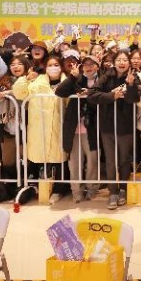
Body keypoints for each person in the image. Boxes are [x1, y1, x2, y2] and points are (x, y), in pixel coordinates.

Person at [88, 50, 141, 210]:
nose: (122, 63)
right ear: (114, 62)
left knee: (124, 159)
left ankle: (123, 189)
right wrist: (112, 96)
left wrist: (131, 85)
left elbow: (134, 99)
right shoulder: (107, 76)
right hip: (107, 126)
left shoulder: (134, 77)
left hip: (126, 126)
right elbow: (92, 95)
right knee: (110, 160)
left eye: (125, 60)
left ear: (129, 63)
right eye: (119, 60)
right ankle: (112, 191)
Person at [13, 55, 68, 203]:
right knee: (39, 159)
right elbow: (19, 93)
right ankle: (39, 188)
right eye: (50, 65)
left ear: (61, 67)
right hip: (39, 127)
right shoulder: (37, 82)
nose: (53, 68)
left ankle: (58, 189)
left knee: (59, 159)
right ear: (45, 67)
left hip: (59, 126)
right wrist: (26, 79)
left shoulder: (67, 82)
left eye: (56, 65)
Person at [55, 55, 101, 202]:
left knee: (93, 160)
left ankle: (92, 189)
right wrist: (72, 77)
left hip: (92, 128)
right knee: (74, 162)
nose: (89, 67)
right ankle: (76, 191)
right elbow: (59, 92)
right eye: (86, 64)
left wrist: (90, 94)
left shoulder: (102, 80)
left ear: (97, 66)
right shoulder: (77, 79)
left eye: (92, 64)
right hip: (74, 128)